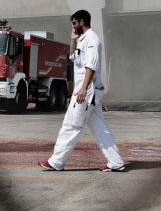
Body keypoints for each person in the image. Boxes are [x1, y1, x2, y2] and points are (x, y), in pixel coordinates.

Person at [38, 9, 125, 172]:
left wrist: (84, 89)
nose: (73, 26)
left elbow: (91, 66)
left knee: (71, 125)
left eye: (74, 23)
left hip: (85, 92)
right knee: (100, 128)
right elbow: (74, 59)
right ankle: (116, 161)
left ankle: (56, 162)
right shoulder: (83, 39)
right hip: (88, 92)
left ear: (82, 22)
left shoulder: (92, 40)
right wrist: (73, 41)